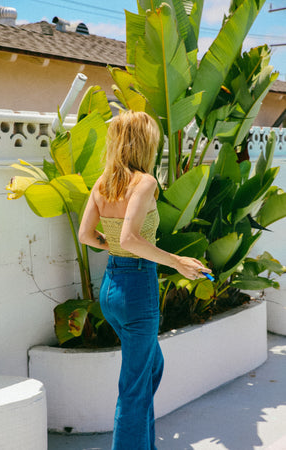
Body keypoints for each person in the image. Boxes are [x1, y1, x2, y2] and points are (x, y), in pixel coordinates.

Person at [78, 110, 211, 450]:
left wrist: (112, 246)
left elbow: (85, 235)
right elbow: (130, 239)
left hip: (112, 289)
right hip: (138, 289)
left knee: (152, 367)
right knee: (134, 390)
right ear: (144, 144)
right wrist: (177, 261)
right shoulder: (145, 182)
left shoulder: (102, 182)